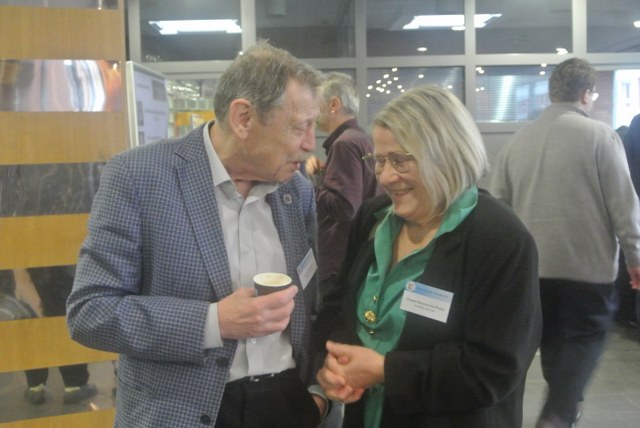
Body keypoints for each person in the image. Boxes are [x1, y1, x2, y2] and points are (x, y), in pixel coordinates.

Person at [66, 41, 327, 427]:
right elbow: (91, 312)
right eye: (299, 126)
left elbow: (313, 303)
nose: (310, 143)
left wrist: (317, 395)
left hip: (285, 405)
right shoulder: (139, 177)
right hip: (183, 411)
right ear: (243, 118)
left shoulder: (296, 191)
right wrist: (213, 322)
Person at [314, 85, 542, 428]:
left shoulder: (499, 238)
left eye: (400, 160)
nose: (385, 176)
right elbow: (339, 307)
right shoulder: (374, 218)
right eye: (379, 160)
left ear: (447, 155)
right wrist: (334, 362)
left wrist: (386, 371)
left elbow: (495, 369)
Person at [489, 58, 640, 428]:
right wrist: (635, 257)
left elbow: (498, 208)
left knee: (552, 341)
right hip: (587, 270)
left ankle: (564, 407)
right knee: (585, 339)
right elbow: (624, 205)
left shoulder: (518, 141)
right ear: (586, 94)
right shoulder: (601, 136)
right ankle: (558, 413)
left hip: (530, 271)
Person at [305, 72, 381, 302]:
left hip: (339, 258)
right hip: (357, 253)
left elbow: (345, 206)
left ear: (334, 104)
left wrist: (305, 187)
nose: (313, 112)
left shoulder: (344, 143)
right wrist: (322, 175)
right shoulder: (360, 138)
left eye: (315, 103)